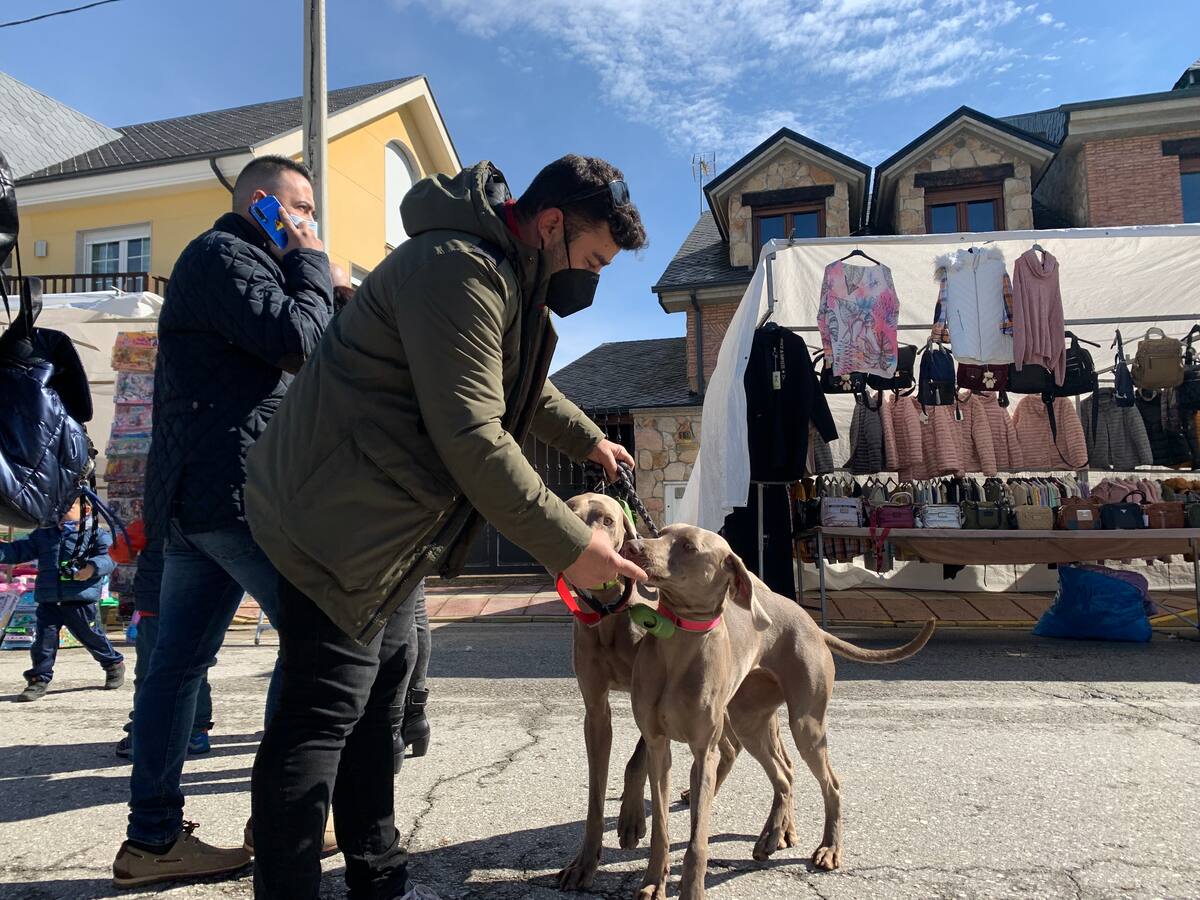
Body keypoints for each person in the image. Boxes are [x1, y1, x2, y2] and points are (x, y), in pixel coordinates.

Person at [245, 155, 649, 900]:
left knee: (383, 693)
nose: (591, 279)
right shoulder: (458, 269)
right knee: (324, 710)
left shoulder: (508, 270)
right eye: (591, 259)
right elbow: (473, 435)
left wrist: (589, 438)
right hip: (335, 518)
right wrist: (571, 546)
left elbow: (522, 384)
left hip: (390, 523)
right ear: (553, 223)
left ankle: (378, 874)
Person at [112, 155, 335, 889]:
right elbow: (302, 343)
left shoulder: (229, 265)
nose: (309, 220)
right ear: (266, 205)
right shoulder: (226, 254)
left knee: (174, 670)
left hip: (198, 497)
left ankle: (152, 841)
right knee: (313, 644)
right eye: (301, 208)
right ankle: (279, 821)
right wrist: (312, 261)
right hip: (235, 494)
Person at [6, 497, 124, 701]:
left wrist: (92, 568)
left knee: (90, 636)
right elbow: (19, 549)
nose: (60, 513)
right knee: (44, 641)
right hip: (49, 599)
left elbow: (110, 556)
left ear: (86, 509)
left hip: (79, 599)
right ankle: (39, 679)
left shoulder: (95, 533)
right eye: (56, 508)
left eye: (67, 508)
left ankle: (113, 663)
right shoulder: (45, 534)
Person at [114, 539, 214, 758]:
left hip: (156, 608)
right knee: (195, 671)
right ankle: (197, 733)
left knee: (150, 674)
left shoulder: (153, 519)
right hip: (198, 605)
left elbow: (120, 551)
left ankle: (142, 737)